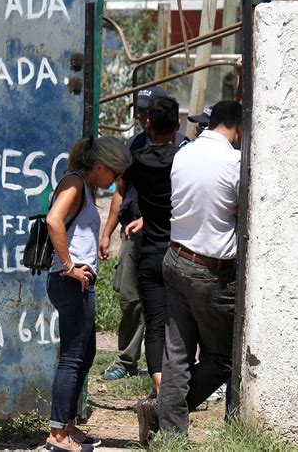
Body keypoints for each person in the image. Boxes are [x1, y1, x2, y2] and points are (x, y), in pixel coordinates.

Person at [137, 100, 243, 445]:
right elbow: (243, 212)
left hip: (175, 258)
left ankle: (170, 431)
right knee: (225, 356)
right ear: (239, 128)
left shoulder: (184, 153)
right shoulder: (234, 163)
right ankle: (161, 413)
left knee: (177, 352)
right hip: (210, 272)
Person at [45, 136, 131, 451]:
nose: (115, 181)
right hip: (70, 281)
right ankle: (57, 434)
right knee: (71, 357)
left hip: (78, 280)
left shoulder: (83, 184)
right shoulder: (74, 183)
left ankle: (68, 425)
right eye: (115, 173)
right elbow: (54, 220)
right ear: (99, 167)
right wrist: (69, 265)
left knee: (85, 354)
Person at [99, 86, 167, 381]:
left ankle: (166, 366)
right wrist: (107, 233)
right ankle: (127, 360)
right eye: (139, 112)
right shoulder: (133, 146)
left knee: (166, 303)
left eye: (146, 112)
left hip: (163, 235)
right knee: (129, 297)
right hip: (131, 233)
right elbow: (120, 192)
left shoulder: (178, 146)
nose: (141, 118)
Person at [122, 97, 180, 403]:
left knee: (155, 325)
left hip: (152, 253)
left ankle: (159, 389)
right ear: (178, 125)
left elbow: (121, 189)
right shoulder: (184, 160)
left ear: (147, 124)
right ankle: (178, 389)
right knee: (182, 327)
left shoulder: (138, 161)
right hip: (182, 254)